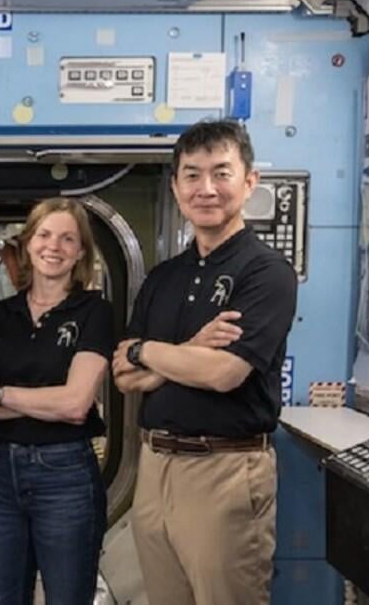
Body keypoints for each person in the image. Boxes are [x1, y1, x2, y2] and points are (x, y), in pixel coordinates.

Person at [112, 120, 297, 605]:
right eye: (192, 175)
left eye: (221, 173)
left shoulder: (266, 272)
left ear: (250, 181)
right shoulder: (162, 278)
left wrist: (146, 351)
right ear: (176, 188)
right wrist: (191, 347)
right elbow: (123, 376)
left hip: (225, 470)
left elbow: (224, 373)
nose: (206, 188)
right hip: (154, 468)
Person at [0, 197, 114, 604]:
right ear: (28, 243)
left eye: (68, 239)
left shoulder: (94, 312)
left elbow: (75, 404)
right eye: (45, 235)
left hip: (67, 476)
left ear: (81, 252)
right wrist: (45, 400)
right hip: (2, 474)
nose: (54, 246)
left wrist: (0, 392)